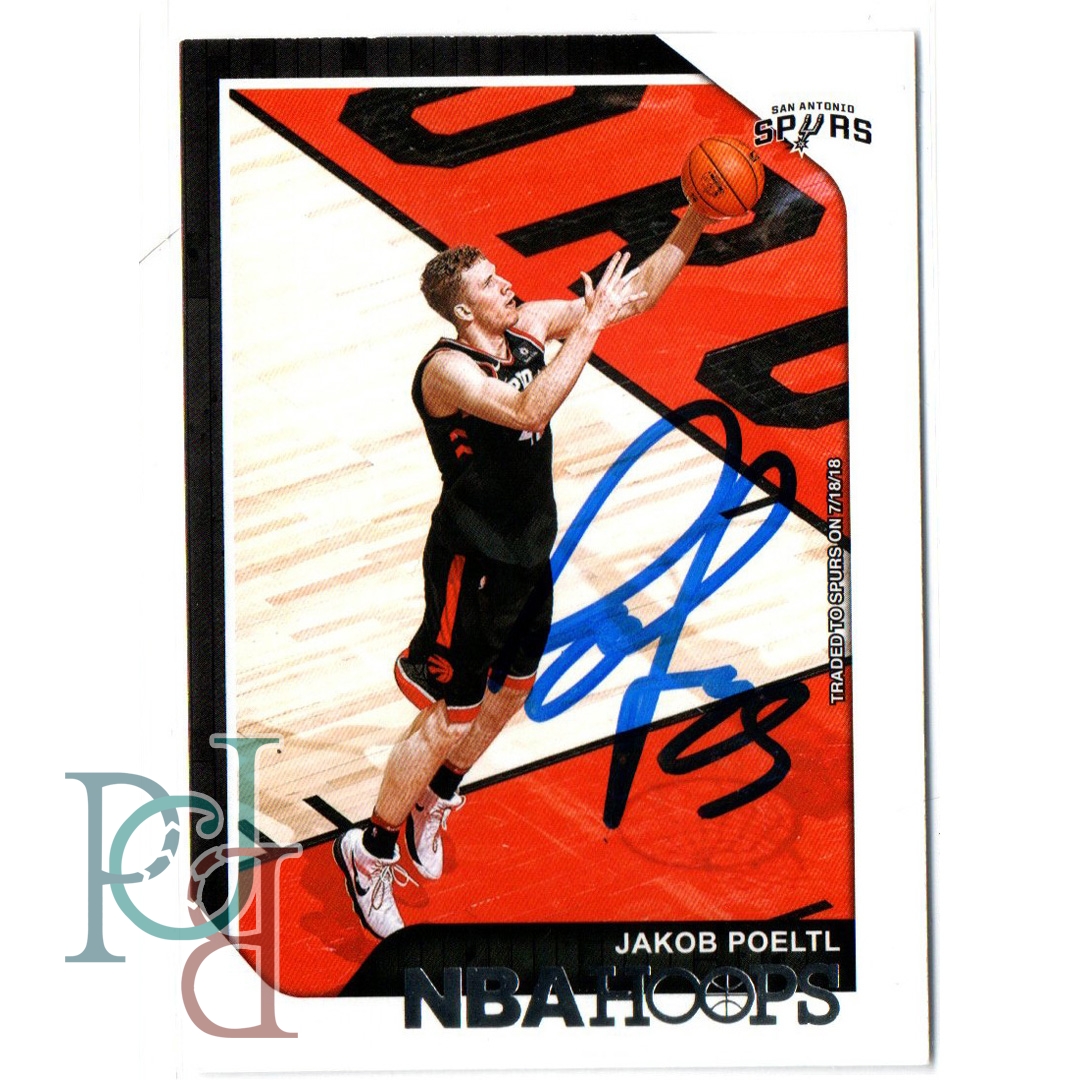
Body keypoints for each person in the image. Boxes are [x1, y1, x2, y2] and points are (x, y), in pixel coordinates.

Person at [334, 206, 709, 937]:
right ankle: (370, 848)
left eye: (500, 275)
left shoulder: (530, 325)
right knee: (447, 718)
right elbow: (531, 406)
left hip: (529, 552)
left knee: (512, 693)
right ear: (462, 310)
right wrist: (589, 326)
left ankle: (436, 798)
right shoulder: (447, 372)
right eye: (489, 283)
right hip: (470, 562)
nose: (507, 285)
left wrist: (695, 217)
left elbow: (636, 296)